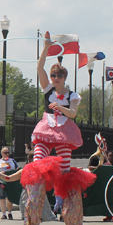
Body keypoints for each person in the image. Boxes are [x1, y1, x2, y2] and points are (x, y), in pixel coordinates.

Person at [33, 31, 83, 172]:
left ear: (64, 77)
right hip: (46, 128)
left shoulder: (72, 95)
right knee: (37, 159)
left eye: (59, 75)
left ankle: (62, 193)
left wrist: (60, 107)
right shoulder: (48, 89)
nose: (56, 77)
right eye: (53, 75)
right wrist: (46, 47)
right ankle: (39, 190)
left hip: (64, 131)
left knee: (64, 168)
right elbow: (39, 68)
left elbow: (72, 114)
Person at [0, 147, 18, 219]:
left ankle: (9, 212)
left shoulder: (12, 161)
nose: (7, 154)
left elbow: (17, 169)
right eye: (5, 153)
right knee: (2, 198)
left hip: (10, 181)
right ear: (1, 153)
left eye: (8, 153)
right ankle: (3, 214)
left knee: (9, 198)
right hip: (0, 181)